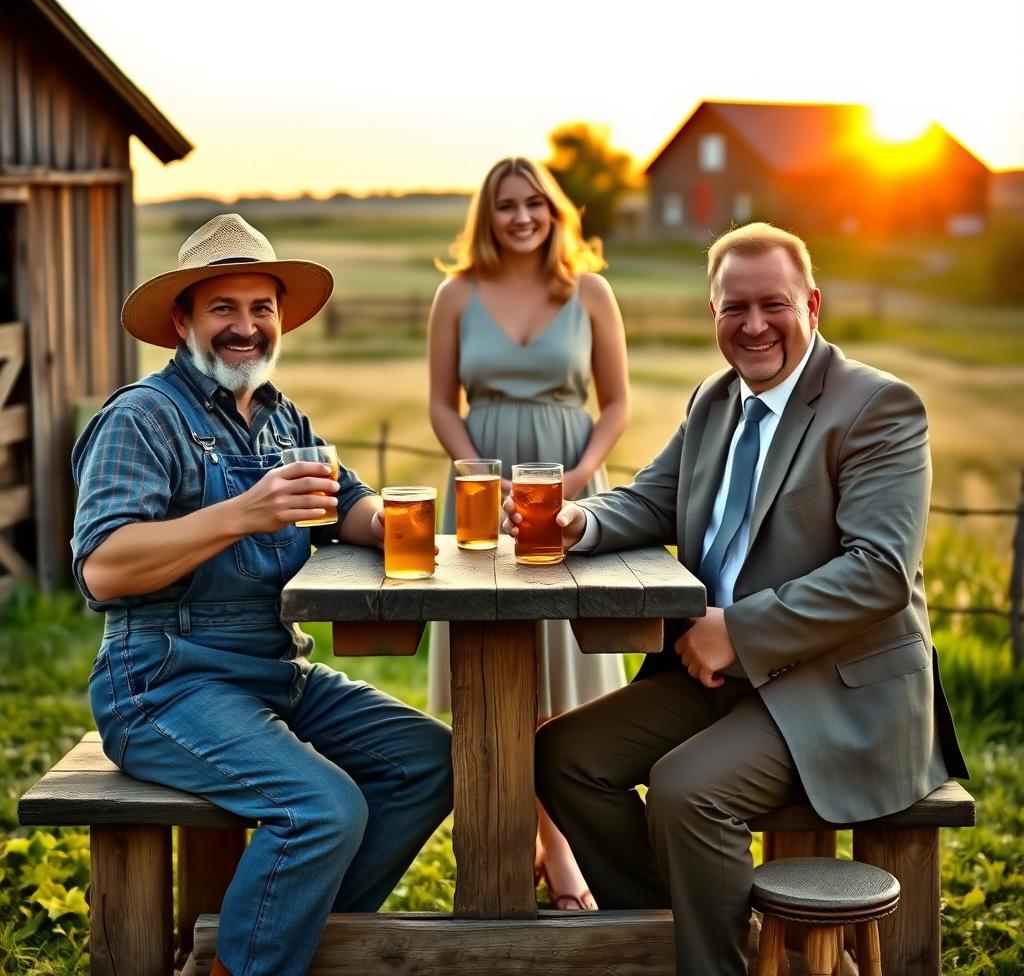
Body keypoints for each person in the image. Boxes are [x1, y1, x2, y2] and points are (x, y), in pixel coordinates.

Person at [507, 221, 967, 974]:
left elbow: (880, 571)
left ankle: (712, 958)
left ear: (813, 304)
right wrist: (576, 520)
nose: (753, 325)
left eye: (773, 304)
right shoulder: (716, 398)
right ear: (713, 314)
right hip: (716, 676)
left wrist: (738, 631)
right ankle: (715, 943)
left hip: (835, 691)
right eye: (734, 308)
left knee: (688, 791)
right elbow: (652, 500)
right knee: (562, 755)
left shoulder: (878, 407)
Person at [72, 214, 453, 976]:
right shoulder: (142, 418)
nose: (245, 328)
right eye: (223, 309)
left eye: (261, 309)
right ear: (182, 321)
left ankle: (282, 943)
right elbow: (104, 568)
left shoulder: (282, 416)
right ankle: (244, 965)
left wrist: (386, 521)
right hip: (163, 681)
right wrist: (245, 512)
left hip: (278, 673)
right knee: (323, 808)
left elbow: (346, 501)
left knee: (430, 759)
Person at [426, 157, 630, 910]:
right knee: (498, 671)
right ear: (489, 214)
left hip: (567, 488)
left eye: (535, 204)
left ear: (555, 211)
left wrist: (571, 486)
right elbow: (441, 403)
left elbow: (615, 407)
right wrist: (481, 473)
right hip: (481, 493)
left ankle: (557, 846)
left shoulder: (590, 290)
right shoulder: (455, 293)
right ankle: (523, 845)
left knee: (566, 682)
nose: (521, 217)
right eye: (507, 205)